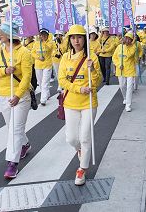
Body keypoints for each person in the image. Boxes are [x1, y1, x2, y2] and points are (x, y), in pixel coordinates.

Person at [0, 21, 33, 179]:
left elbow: (27, 77)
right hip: (3, 94)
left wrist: (18, 95)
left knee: (14, 130)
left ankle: (12, 164)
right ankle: (25, 144)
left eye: (2, 32)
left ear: (10, 35)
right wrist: (4, 70)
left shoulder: (24, 52)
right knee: (11, 127)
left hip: (21, 96)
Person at [58, 24, 102, 186]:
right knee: (71, 138)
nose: (77, 41)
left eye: (80, 37)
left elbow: (97, 81)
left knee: (85, 137)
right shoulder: (65, 58)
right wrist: (78, 88)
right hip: (70, 103)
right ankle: (81, 151)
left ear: (85, 39)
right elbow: (62, 81)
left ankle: (82, 169)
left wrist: (92, 71)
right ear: (69, 39)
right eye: (73, 37)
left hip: (89, 103)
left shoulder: (92, 57)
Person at [112, 31, 138, 112]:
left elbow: (129, 55)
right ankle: (125, 98)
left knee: (129, 87)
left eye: (130, 39)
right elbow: (114, 57)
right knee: (122, 86)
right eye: (126, 38)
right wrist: (118, 64)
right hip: (121, 70)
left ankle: (128, 105)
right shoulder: (119, 47)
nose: (128, 40)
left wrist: (129, 44)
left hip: (130, 70)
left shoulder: (133, 47)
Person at [31, 28, 54, 106]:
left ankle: (43, 99)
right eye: (42, 34)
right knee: (41, 83)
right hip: (38, 65)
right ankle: (47, 94)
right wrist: (38, 57)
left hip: (47, 65)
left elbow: (49, 48)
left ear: (47, 35)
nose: (43, 36)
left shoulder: (50, 42)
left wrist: (43, 42)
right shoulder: (36, 43)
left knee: (45, 83)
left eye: (45, 34)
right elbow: (32, 53)